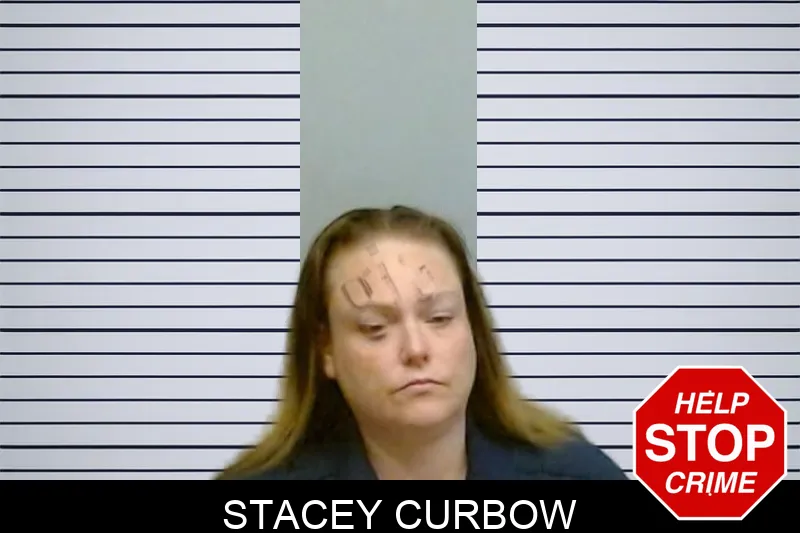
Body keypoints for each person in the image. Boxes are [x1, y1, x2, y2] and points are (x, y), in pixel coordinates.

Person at [217, 205, 627, 480]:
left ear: (474, 330)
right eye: (375, 327)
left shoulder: (576, 474)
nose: (416, 349)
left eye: (439, 318)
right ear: (326, 351)